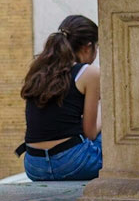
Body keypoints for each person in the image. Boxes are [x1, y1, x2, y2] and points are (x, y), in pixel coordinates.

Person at [18, 13, 102, 182]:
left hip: (34, 166)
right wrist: (104, 107)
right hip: (73, 163)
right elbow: (91, 133)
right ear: (88, 47)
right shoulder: (89, 73)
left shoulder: (38, 71)